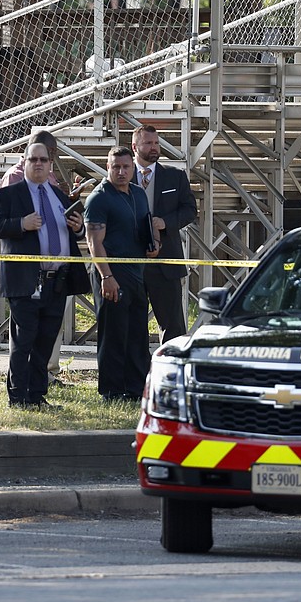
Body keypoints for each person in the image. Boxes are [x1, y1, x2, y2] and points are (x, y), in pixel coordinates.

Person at [0, 142, 87, 408]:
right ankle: (18, 397)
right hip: (27, 281)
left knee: (45, 342)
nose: (39, 164)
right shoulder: (10, 194)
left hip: (57, 282)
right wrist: (21, 224)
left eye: (44, 159)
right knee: (25, 341)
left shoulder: (58, 195)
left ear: (50, 163)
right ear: (25, 162)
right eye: (34, 159)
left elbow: (74, 233)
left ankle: (37, 395)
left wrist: (78, 229)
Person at [84, 145, 159, 402]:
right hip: (111, 273)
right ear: (108, 167)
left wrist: (154, 243)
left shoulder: (138, 194)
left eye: (126, 167)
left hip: (137, 272)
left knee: (137, 333)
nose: (121, 171)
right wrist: (107, 276)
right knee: (113, 333)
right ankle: (112, 390)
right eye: (116, 167)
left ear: (132, 168)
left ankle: (137, 388)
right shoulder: (99, 197)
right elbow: (94, 242)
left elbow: (146, 225)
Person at [132, 125, 198, 343]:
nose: (154, 147)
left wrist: (165, 222)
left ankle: (171, 372)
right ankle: (137, 374)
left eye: (156, 143)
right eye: (148, 143)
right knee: (132, 326)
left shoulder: (175, 177)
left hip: (166, 263)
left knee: (173, 326)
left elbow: (190, 211)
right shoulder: (121, 175)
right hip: (131, 262)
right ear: (135, 147)